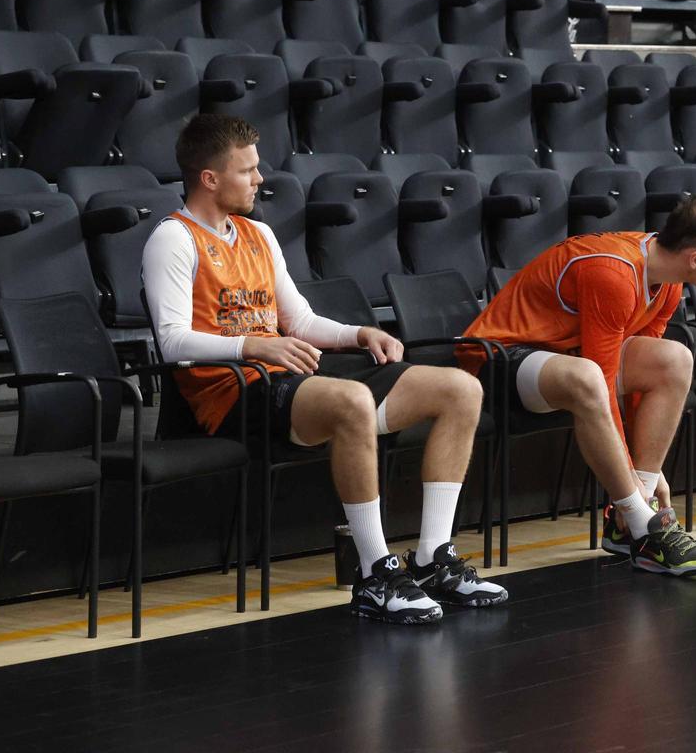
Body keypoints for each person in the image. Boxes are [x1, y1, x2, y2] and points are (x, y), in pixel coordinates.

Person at [143, 114, 506, 625]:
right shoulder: (173, 239)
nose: (259, 178)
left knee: (460, 389)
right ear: (209, 178)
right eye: (246, 170)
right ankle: (376, 574)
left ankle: (432, 559)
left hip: (286, 381)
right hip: (228, 394)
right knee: (352, 400)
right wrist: (255, 347)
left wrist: (359, 334)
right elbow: (172, 339)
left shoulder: (257, 235)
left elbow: (300, 320)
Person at [460, 197, 696, 574]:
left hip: (561, 360)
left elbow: (637, 388)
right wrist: (628, 476)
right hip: (496, 360)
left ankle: (626, 524)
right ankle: (644, 526)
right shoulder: (613, 273)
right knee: (589, 377)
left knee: (673, 358)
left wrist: (646, 474)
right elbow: (603, 380)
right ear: (695, 258)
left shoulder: (669, 281)